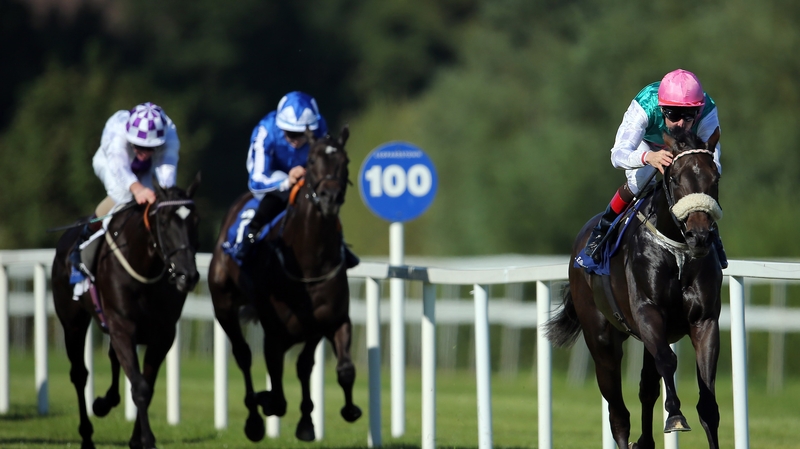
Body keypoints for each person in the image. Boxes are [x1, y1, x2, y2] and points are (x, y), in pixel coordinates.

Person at [582, 69, 728, 268]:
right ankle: (603, 229)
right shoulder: (645, 106)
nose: (681, 123)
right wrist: (648, 157)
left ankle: (712, 234)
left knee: (700, 177)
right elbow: (617, 155)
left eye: (689, 116)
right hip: (647, 145)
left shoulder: (707, 110)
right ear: (661, 109)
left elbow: (714, 162)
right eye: (674, 115)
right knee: (641, 179)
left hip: (686, 149)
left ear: (698, 110)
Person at [234, 91, 359, 268]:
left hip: (305, 174)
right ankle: (251, 234)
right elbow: (256, 179)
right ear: (280, 126)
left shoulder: (320, 125)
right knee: (281, 192)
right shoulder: (265, 130)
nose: (296, 140)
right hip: (274, 177)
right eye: (290, 133)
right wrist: (286, 182)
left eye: (302, 134)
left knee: (326, 196)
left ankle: (339, 241)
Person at [69, 102, 180, 281]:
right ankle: (83, 240)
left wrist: (166, 197)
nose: (143, 152)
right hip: (110, 163)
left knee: (157, 199)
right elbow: (119, 166)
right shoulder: (117, 130)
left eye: (150, 148)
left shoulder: (170, 134)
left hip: (145, 169)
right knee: (124, 195)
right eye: (138, 145)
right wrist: (137, 189)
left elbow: (167, 171)